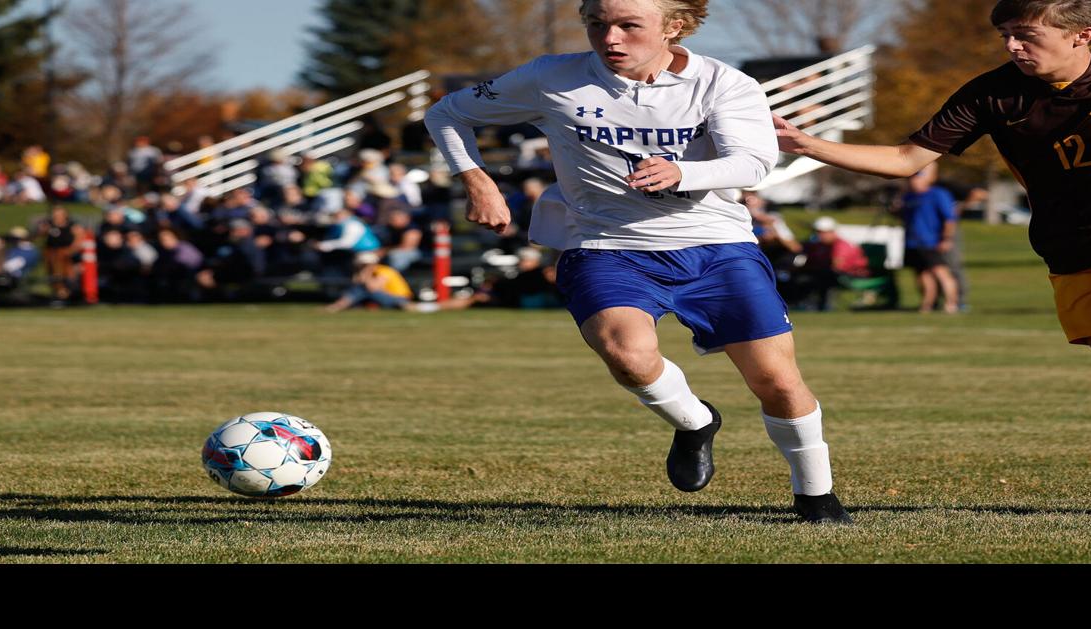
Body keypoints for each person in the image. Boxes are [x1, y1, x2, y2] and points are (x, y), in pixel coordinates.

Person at [424, 0, 851, 523]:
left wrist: (682, 173)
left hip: (715, 246)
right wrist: (477, 179)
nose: (611, 38)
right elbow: (446, 112)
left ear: (673, 27)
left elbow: (754, 160)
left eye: (629, 25)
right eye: (598, 24)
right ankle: (695, 422)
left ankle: (816, 495)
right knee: (628, 355)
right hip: (605, 244)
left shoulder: (723, 83)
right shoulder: (551, 77)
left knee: (777, 381)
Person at [773, 0, 1091, 436]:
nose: (1012, 46)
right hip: (1070, 250)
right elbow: (906, 158)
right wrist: (807, 145)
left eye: (1027, 35)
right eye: (1005, 35)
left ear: (1081, 34)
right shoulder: (992, 93)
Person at [895, 163, 961, 314]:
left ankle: (952, 303)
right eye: (911, 179)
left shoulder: (938, 194)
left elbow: (949, 219)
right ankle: (927, 304)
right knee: (922, 274)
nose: (914, 181)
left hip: (931, 241)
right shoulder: (907, 197)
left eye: (917, 178)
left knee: (941, 273)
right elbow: (902, 216)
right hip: (912, 242)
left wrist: (946, 238)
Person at [325, 251, 415, 312]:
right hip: (384, 297)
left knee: (362, 289)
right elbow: (356, 282)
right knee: (359, 289)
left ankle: (338, 306)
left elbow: (372, 288)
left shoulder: (384, 271)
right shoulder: (372, 272)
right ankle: (340, 305)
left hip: (399, 298)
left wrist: (366, 272)